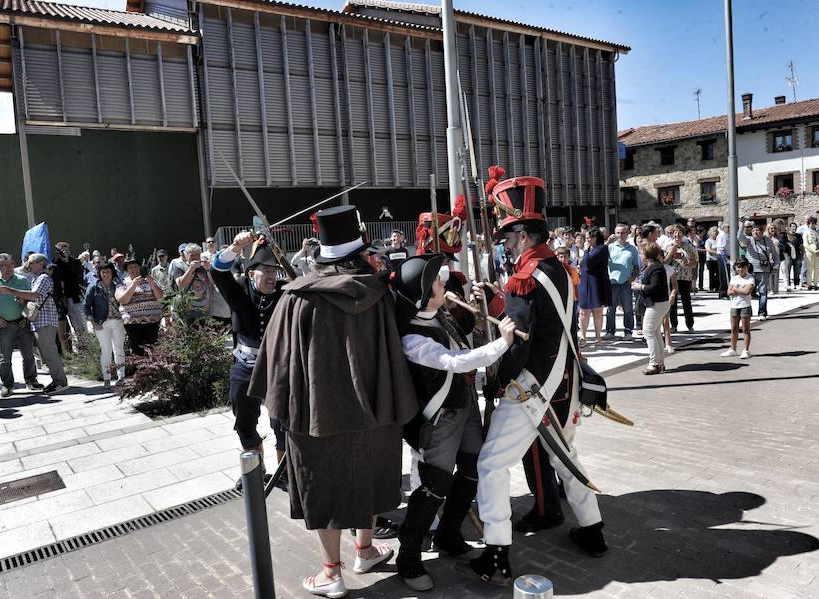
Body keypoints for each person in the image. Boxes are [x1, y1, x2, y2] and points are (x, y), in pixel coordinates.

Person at [249, 205, 417, 598]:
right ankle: (365, 548)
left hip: (317, 414)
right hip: (377, 409)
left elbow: (277, 359)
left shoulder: (296, 298)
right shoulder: (380, 292)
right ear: (359, 249)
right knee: (372, 472)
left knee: (324, 484)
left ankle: (332, 571)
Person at [466, 175, 607, 586]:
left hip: (530, 387)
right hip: (563, 382)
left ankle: (495, 551)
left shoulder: (524, 277)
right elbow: (545, 321)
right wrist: (500, 298)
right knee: (566, 459)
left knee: (490, 465)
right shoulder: (557, 268)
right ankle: (593, 529)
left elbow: (520, 343)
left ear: (524, 235)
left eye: (508, 236)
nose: (505, 244)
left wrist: (497, 381)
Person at [391, 254, 515, 592]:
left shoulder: (438, 313)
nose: (444, 284)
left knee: (475, 467)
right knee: (435, 485)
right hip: (440, 418)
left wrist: (481, 306)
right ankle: (409, 558)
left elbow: (464, 340)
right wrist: (502, 343)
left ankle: (448, 533)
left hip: (465, 408)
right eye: (436, 280)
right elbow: (455, 361)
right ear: (422, 292)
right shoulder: (411, 336)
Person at [212, 232, 290, 492]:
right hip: (245, 365)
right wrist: (235, 247)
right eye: (265, 271)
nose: (271, 276)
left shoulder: (284, 294)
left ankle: (286, 473)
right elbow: (217, 271)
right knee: (244, 420)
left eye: (274, 271)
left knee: (282, 422)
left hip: (278, 367)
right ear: (251, 272)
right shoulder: (239, 291)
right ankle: (255, 472)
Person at [0, 253, 69, 394]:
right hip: (39, 322)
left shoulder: (43, 278)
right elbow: (33, 297)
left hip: (46, 322)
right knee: (46, 354)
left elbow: (34, 295)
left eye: (31, 262)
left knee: (50, 354)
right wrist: (23, 299)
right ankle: (56, 381)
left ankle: (61, 382)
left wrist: (10, 291)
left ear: (41, 263)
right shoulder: (36, 278)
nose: (27, 265)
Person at [0, 253, 43, 397]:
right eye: (5, 265)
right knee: (5, 358)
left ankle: (31, 380)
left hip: (22, 322)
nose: (9, 268)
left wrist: (24, 301)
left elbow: (31, 299)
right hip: (3, 325)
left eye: (12, 264)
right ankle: (7, 385)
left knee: (28, 354)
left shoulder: (22, 280)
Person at [84, 263, 126, 387]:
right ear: (99, 273)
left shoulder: (118, 286)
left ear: (112, 273)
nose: (105, 274)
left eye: (108, 271)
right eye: (103, 272)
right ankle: (107, 378)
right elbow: (86, 306)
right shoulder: (94, 288)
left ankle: (121, 377)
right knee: (106, 351)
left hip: (118, 321)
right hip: (102, 323)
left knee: (119, 349)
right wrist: (93, 322)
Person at [632, 244, 670, 375]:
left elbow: (654, 287)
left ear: (647, 256)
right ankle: (660, 363)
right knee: (655, 333)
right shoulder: (654, 266)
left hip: (656, 304)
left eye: (642, 253)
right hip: (658, 303)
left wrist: (640, 286)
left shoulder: (656, 268)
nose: (640, 255)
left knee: (648, 332)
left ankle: (654, 363)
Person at [116, 258, 164, 357]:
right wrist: (133, 285)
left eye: (136, 267)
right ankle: (140, 372)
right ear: (127, 270)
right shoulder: (123, 282)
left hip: (152, 321)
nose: (134, 269)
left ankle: (153, 371)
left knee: (152, 349)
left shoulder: (150, 279)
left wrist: (153, 284)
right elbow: (122, 299)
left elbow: (160, 297)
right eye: (130, 268)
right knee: (137, 350)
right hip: (133, 323)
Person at [737, 220, 779, 320]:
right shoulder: (749, 240)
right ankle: (748, 312)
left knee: (763, 292)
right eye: (754, 230)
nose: (756, 232)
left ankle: (762, 313)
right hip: (750, 270)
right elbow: (739, 236)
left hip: (764, 270)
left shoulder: (767, 240)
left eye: (758, 231)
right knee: (747, 292)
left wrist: (776, 265)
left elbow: (775, 255)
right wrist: (742, 224)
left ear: (762, 231)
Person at [604, 224, 640, 339]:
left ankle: (628, 331)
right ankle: (610, 331)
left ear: (627, 233)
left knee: (628, 309)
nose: (620, 235)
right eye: (618, 233)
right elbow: (599, 256)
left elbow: (636, 266)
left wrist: (632, 278)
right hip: (612, 283)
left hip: (626, 283)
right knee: (611, 309)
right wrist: (607, 244)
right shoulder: (610, 247)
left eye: (623, 233)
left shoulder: (632, 249)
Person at [52, 241, 88, 350]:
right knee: (69, 326)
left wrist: (67, 261)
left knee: (80, 324)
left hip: (75, 296)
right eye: (62, 248)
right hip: (63, 298)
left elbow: (77, 276)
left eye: (66, 248)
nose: (64, 250)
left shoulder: (75, 262)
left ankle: (85, 346)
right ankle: (73, 348)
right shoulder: (56, 264)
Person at [578, 226, 610, 346]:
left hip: (596, 282)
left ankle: (598, 336)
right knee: (583, 311)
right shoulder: (591, 248)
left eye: (588, 238)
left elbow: (589, 262)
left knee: (597, 311)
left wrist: (585, 251)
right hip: (585, 281)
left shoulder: (601, 248)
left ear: (595, 238)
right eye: (585, 238)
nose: (586, 241)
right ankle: (583, 336)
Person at [664, 224, 697, 333]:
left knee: (686, 301)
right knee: (672, 301)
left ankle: (690, 324)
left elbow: (694, 263)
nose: (677, 235)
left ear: (683, 234)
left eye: (679, 232)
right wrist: (671, 253)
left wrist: (684, 257)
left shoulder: (688, 246)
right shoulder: (668, 246)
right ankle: (674, 325)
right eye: (675, 232)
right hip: (672, 276)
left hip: (685, 276)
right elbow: (665, 262)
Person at [721, 257, 755, 359]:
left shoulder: (750, 278)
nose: (740, 270)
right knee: (734, 329)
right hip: (734, 306)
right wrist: (740, 290)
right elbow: (728, 292)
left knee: (745, 329)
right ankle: (733, 349)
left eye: (743, 267)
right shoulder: (734, 278)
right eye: (738, 267)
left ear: (747, 267)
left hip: (745, 306)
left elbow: (747, 292)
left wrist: (735, 289)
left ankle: (746, 350)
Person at [175, 243, 212, 320]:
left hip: (204, 311)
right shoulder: (180, 267)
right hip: (187, 312)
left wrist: (209, 269)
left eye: (197, 254)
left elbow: (212, 285)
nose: (195, 257)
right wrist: (191, 269)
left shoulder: (204, 267)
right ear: (186, 255)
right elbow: (181, 285)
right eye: (192, 255)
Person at [802, 215, 819, 290]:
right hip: (810, 253)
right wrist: (814, 251)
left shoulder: (818, 232)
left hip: (818, 252)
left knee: (816, 268)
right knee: (810, 268)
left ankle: (815, 284)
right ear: (808, 224)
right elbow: (806, 244)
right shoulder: (806, 233)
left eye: (814, 223)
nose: (812, 224)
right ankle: (809, 284)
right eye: (811, 223)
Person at [704, 226, 720, 291]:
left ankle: (717, 287)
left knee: (718, 274)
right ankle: (711, 288)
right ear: (710, 233)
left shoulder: (718, 240)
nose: (715, 233)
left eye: (716, 231)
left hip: (717, 259)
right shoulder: (708, 241)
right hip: (710, 260)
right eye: (713, 231)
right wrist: (717, 252)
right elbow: (708, 250)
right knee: (712, 274)